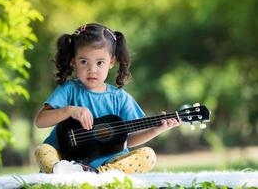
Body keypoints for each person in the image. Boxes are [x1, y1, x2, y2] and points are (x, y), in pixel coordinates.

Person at [34, 23, 180, 174]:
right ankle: (70, 172)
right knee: (42, 150)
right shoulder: (68, 90)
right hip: (66, 160)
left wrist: (157, 129)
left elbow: (127, 139)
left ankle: (98, 175)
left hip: (108, 162)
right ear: (73, 61)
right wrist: (70, 111)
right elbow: (40, 121)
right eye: (84, 62)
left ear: (111, 62)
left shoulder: (119, 98)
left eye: (100, 62)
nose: (92, 70)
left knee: (148, 155)